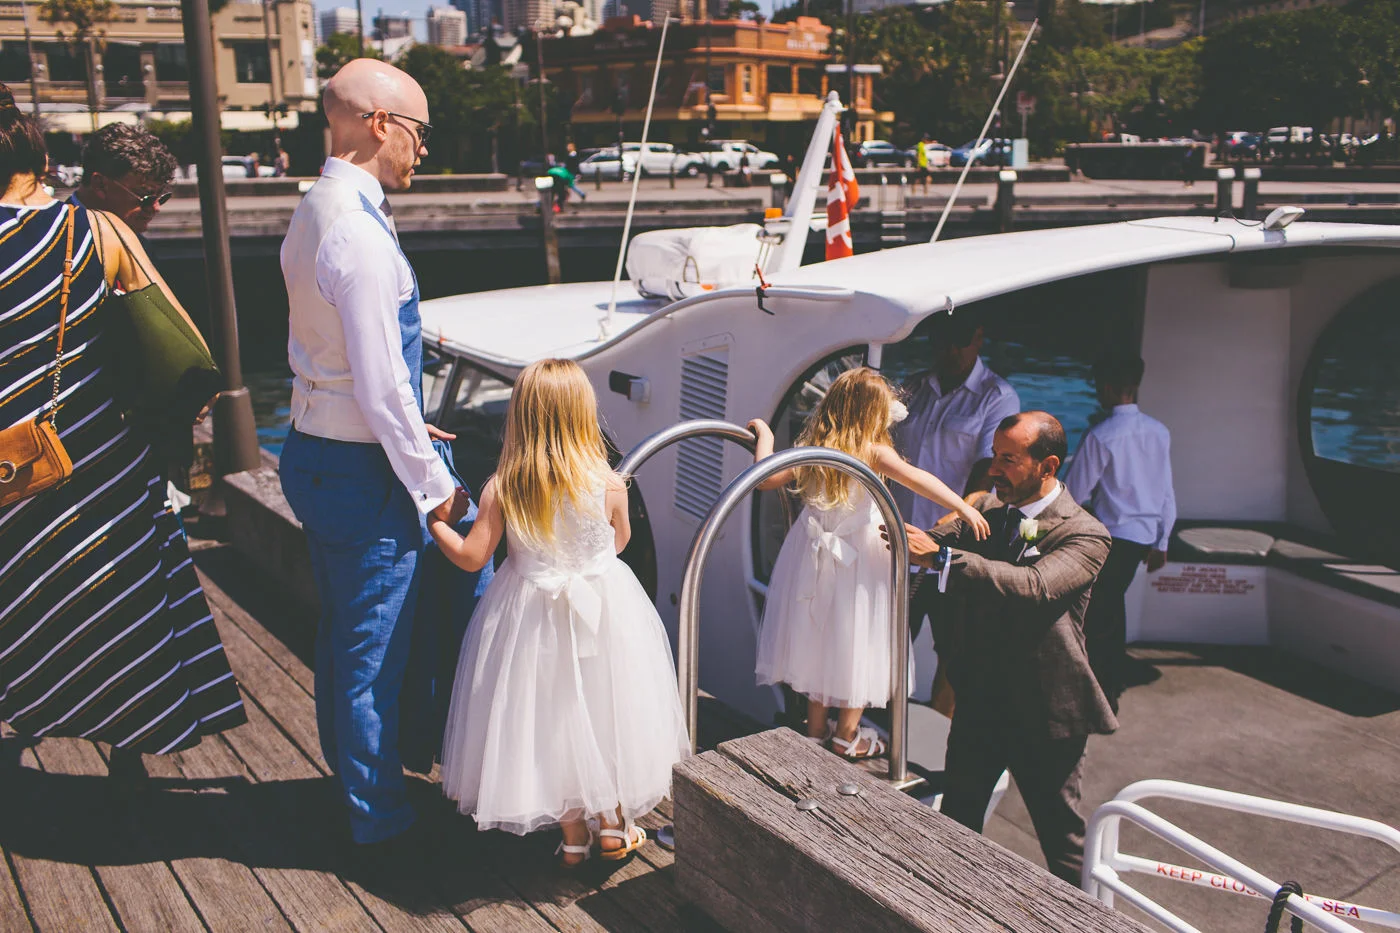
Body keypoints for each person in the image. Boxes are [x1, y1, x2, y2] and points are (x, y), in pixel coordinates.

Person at [0, 84, 245, 789]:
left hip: (6, 469)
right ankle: (128, 749)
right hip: (91, 455)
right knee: (116, 601)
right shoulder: (97, 231)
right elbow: (186, 353)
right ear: (43, 159)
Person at [277, 58, 480, 851]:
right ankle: (380, 819)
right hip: (362, 472)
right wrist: (435, 488)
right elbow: (383, 381)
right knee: (373, 653)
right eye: (419, 131)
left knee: (342, 635)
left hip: (317, 447)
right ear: (379, 124)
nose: (423, 148)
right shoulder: (358, 233)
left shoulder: (315, 208)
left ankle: (355, 784)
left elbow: (336, 358)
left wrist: (403, 425)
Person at [434, 359, 688, 866]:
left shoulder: (504, 486)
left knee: (551, 718)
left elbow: (471, 557)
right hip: (605, 610)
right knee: (608, 712)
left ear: (521, 416)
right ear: (582, 413)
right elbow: (619, 541)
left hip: (529, 618)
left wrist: (435, 521)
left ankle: (573, 837)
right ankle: (613, 826)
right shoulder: (610, 482)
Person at [896, 412, 1115, 884]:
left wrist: (943, 558)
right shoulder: (988, 515)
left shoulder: (1086, 534)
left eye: (1008, 459)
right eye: (994, 456)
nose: (993, 469)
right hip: (980, 704)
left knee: (1061, 841)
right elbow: (923, 543)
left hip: (1045, 713)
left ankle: (1089, 917)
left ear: (1048, 466)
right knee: (956, 824)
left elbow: (1035, 586)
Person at [748, 369, 990, 759]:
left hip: (812, 552)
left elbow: (765, 478)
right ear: (873, 413)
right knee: (860, 637)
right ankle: (846, 734)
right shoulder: (873, 452)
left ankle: (815, 730)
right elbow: (917, 479)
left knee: (820, 634)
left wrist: (765, 436)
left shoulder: (814, 447)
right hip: (861, 555)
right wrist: (963, 506)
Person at [892, 313, 1020, 710]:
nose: (950, 351)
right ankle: (878, 725)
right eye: (943, 341)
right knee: (887, 644)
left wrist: (956, 518)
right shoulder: (913, 388)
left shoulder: (996, 397)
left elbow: (989, 469)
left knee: (952, 652)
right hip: (897, 541)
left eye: (960, 341)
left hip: (947, 547)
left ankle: (942, 728)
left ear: (978, 338)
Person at [1061, 355, 1175, 713]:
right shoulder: (1159, 431)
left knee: (1099, 616)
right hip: (1142, 538)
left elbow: (1074, 493)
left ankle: (1103, 694)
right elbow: (1166, 491)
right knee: (1110, 609)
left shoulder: (1101, 435)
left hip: (1111, 537)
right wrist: (1162, 541)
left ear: (1106, 388)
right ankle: (1108, 687)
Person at [72, 122, 177, 236]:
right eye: (146, 198)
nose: (156, 208)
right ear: (100, 185)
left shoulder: (135, 238)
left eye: (161, 198)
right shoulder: (62, 238)